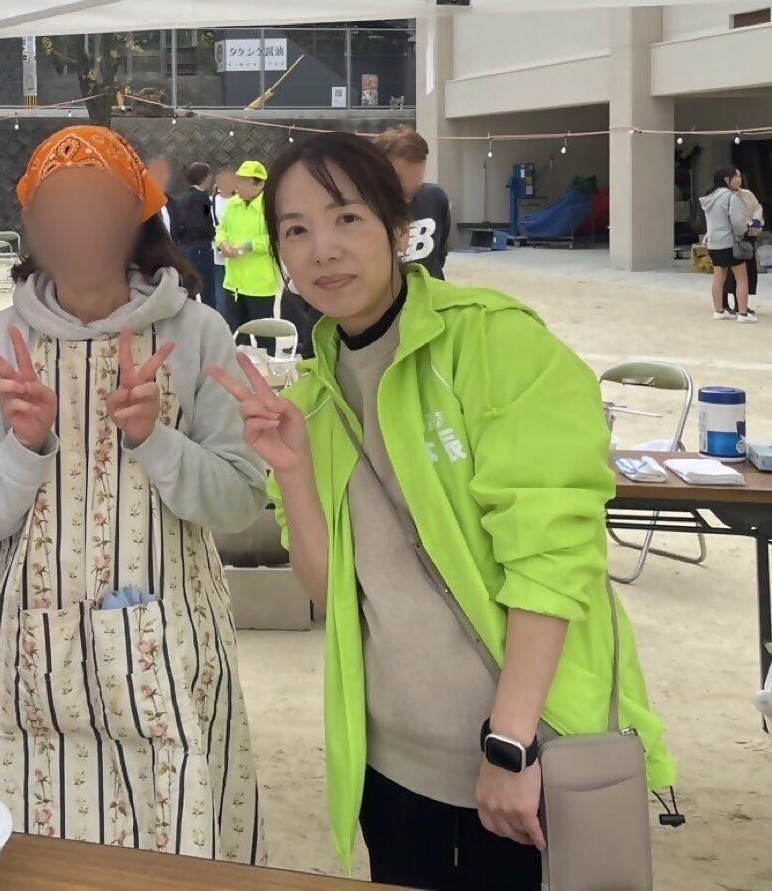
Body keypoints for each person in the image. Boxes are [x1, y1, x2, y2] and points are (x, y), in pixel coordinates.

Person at [209, 133, 674, 890]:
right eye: (296, 230)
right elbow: (333, 596)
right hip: (393, 766)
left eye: (347, 218)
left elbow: (553, 558)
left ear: (400, 229)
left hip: (531, 753)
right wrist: (292, 474)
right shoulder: (315, 398)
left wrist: (511, 745)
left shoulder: (495, 341)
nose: (323, 249)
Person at [0, 126, 269, 862]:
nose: (78, 226)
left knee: (179, 850)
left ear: (138, 214)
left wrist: (157, 439)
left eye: (99, 205)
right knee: (41, 859)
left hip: (174, 653)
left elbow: (240, 501)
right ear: (29, 222)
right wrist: (24, 446)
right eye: (57, 208)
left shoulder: (197, 334)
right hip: (32, 658)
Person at [375, 127, 453, 280]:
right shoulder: (363, 211)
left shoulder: (435, 198)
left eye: (416, 188)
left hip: (431, 291)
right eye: (399, 186)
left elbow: (439, 255)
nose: (407, 200)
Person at [217, 161, 279, 337]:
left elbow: (277, 237)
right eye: (238, 181)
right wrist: (223, 244)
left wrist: (248, 246)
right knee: (236, 335)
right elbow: (222, 228)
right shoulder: (233, 204)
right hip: (233, 283)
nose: (239, 186)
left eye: (245, 182)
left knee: (264, 337)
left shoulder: (271, 206)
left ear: (260, 184)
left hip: (259, 285)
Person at [700, 167, 757, 324]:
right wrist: (745, 230)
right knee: (742, 278)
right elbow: (737, 223)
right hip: (730, 243)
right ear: (726, 180)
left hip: (713, 244)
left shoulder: (710, 198)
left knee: (719, 278)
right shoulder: (731, 197)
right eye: (735, 177)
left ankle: (719, 310)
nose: (738, 180)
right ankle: (743, 313)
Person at [169, 161, 219, 308]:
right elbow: (204, 222)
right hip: (200, 248)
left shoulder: (182, 198)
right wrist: (213, 233)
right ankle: (210, 319)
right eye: (209, 175)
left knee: (189, 290)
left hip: (184, 248)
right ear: (204, 177)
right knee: (208, 292)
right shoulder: (202, 198)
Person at [722, 183, 764, 318]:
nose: (737, 180)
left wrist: (755, 222)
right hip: (729, 237)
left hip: (747, 235)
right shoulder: (723, 196)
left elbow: (757, 208)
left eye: (739, 177)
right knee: (727, 272)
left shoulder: (747, 194)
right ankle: (723, 303)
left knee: (746, 272)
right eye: (735, 177)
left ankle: (740, 304)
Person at [213, 167, 239, 305]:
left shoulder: (240, 201)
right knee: (220, 287)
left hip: (237, 250)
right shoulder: (210, 201)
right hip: (217, 248)